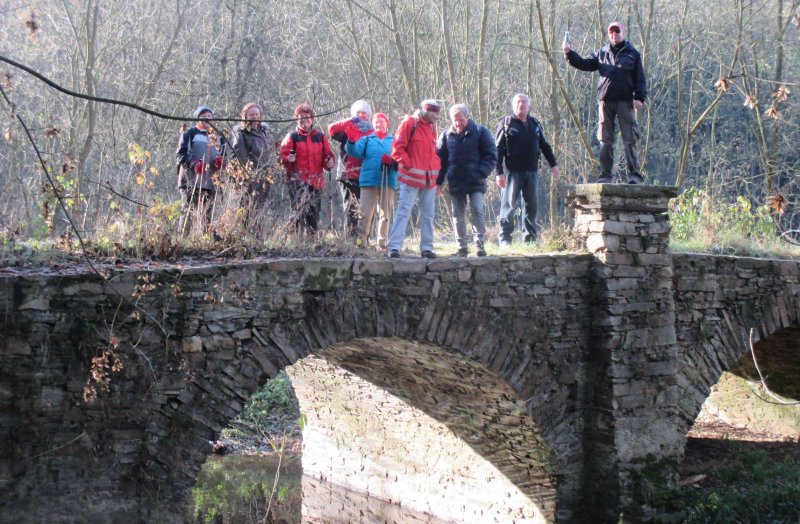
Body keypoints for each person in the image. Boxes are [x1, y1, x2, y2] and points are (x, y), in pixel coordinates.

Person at [564, 21, 647, 184]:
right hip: (605, 102)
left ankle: (634, 175)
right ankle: (606, 176)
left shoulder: (633, 54)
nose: (614, 34)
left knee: (630, 139)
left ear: (623, 32)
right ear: (608, 34)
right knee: (605, 140)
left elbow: (640, 79)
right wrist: (569, 53)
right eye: (611, 32)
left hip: (625, 102)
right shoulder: (601, 53)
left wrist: (639, 97)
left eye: (617, 31)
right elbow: (584, 63)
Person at [495, 93, 561, 246]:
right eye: (518, 102)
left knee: (531, 206)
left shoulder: (535, 124)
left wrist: (554, 165)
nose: (521, 105)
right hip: (512, 172)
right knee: (509, 207)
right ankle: (505, 239)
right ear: (513, 106)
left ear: (529, 106)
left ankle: (530, 239)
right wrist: (499, 172)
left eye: (524, 102)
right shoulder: (506, 123)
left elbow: (545, 146)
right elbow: (497, 150)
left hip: (532, 172)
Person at [436, 104, 497, 257]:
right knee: (457, 214)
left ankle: (479, 245)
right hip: (455, 181)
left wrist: (481, 172)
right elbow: (440, 161)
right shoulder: (445, 135)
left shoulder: (481, 132)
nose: (458, 123)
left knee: (477, 210)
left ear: (467, 117)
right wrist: (439, 182)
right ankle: (461, 247)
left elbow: (491, 156)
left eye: (461, 120)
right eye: (455, 120)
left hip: (476, 180)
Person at [387, 99, 442, 259]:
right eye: (434, 113)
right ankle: (394, 247)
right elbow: (397, 150)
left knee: (428, 214)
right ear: (425, 110)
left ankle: (426, 248)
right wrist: (409, 165)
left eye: (438, 113)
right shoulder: (409, 123)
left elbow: (432, 150)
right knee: (404, 211)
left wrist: (435, 165)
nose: (437, 116)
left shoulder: (432, 126)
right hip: (410, 177)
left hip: (429, 178)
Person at [279, 103, 335, 234]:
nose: (304, 119)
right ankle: (296, 242)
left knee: (314, 214)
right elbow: (281, 155)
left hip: (316, 182)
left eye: (307, 116)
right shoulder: (292, 137)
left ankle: (311, 241)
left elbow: (327, 156)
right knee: (298, 213)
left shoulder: (320, 137)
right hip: (297, 181)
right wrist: (288, 159)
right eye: (301, 117)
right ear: (296, 119)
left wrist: (330, 162)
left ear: (312, 118)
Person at [345, 112, 398, 251]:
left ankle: (382, 242)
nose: (378, 124)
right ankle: (361, 241)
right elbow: (354, 152)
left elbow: (401, 159)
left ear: (387, 123)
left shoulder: (394, 140)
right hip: (368, 181)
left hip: (388, 180)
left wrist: (392, 161)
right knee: (365, 212)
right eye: (375, 122)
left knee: (385, 213)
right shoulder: (367, 139)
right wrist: (350, 141)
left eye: (381, 121)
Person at [176, 105, 228, 233]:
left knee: (206, 214)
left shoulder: (218, 136)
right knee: (188, 211)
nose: (207, 119)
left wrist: (221, 162)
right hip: (190, 181)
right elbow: (180, 155)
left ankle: (203, 241)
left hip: (210, 182)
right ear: (197, 118)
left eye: (210, 117)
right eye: (204, 117)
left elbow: (224, 155)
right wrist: (193, 164)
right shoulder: (189, 133)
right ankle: (183, 239)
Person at [328, 100, 374, 239]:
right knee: (350, 208)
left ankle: (363, 239)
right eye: (358, 113)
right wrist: (349, 120)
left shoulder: (372, 132)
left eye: (364, 113)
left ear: (369, 115)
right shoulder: (348, 128)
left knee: (366, 210)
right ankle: (350, 239)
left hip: (366, 176)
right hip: (347, 174)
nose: (361, 116)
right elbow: (331, 130)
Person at [231, 102, 272, 227]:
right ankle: (243, 236)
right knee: (246, 209)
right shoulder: (241, 134)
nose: (254, 116)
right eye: (251, 114)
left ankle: (257, 237)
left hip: (263, 178)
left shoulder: (263, 132)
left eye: (257, 114)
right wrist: (250, 175)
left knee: (259, 209)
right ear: (245, 116)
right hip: (248, 178)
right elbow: (240, 157)